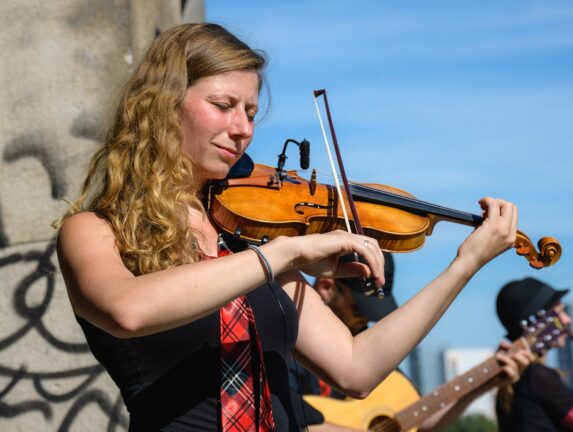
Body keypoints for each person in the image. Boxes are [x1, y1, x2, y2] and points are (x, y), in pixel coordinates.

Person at [55, 22, 519, 431]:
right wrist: (283, 254)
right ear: (162, 105)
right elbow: (126, 310)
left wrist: (464, 266)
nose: (243, 129)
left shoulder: (242, 240)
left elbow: (356, 369)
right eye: (223, 105)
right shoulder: (95, 231)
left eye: (251, 112)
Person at [293, 253, 534, 432]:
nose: (367, 319)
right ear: (327, 287)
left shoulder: (376, 354)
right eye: (359, 308)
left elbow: (418, 418)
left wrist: (486, 382)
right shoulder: (284, 345)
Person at [495, 277, 573, 432]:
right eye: (560, 312)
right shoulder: (537, 376)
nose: (567, 319)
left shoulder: (511, 380)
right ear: (537, 321)